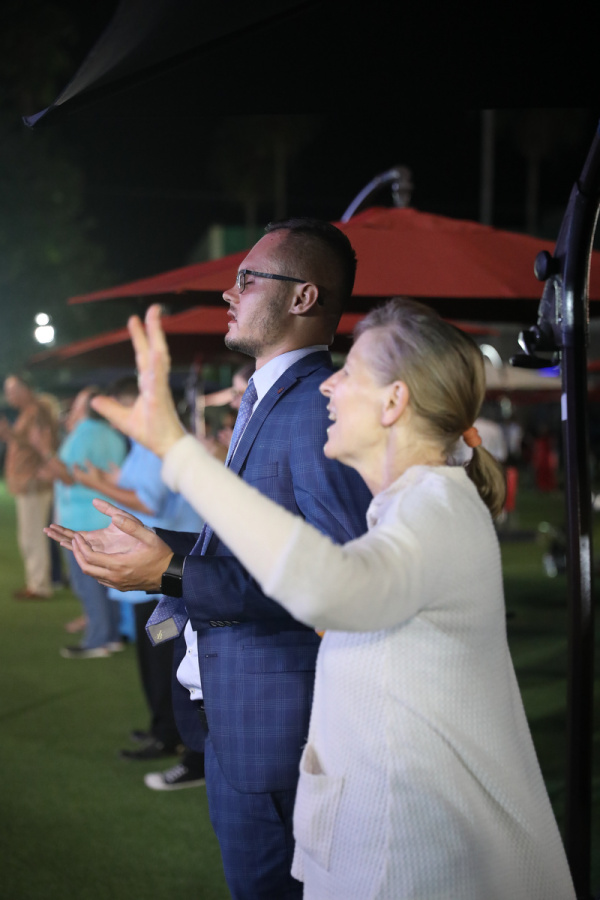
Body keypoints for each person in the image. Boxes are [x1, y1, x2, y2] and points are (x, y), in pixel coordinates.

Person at [51, 298, 577, 900]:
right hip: (384, 834)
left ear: (393, 402)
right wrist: (169, 554)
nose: (328, 384)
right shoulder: (414, 505)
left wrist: (178, 452)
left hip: (412, 854)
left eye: (349, 372)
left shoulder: (437, 508)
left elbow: (328, 585)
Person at [47, 219, 372, 899]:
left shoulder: (317, 408)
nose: (230, 292)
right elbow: (261, 544)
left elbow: (338, 582)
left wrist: (170, 574)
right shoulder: (266, 397)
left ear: (303, 297)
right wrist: (165, 547)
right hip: (231, 713)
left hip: (278, 727)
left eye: (248, 279)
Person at [72, 376, 205, 783]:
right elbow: (138, 490)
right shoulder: (145, 444)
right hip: (154, 572)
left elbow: (148, 500)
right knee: (154, 655)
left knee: (165, 657)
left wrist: (96, 485)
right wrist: (107, 480)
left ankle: (172, 737)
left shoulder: (155, 443)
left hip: (166, 575)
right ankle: (162, 728)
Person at [40, 386, 128, 657]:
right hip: (106, 515)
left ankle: (98, 639)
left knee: (88, 583)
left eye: (78, 402)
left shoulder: (83, 434)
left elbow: (69, 476)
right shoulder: (113, 434)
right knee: (106, 581)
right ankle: (111, 636)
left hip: (81, 519)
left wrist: (44, 451)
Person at [0, 373, 59, 598]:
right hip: (28, 482)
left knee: (33, 536)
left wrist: (10, 434)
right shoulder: (30, 411)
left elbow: (41, 444)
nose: (9, 396)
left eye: (12, 391)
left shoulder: (37, 411)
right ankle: (36, 583)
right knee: (29, 536)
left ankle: (40, 586)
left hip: (34, 482)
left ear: (25, 390)